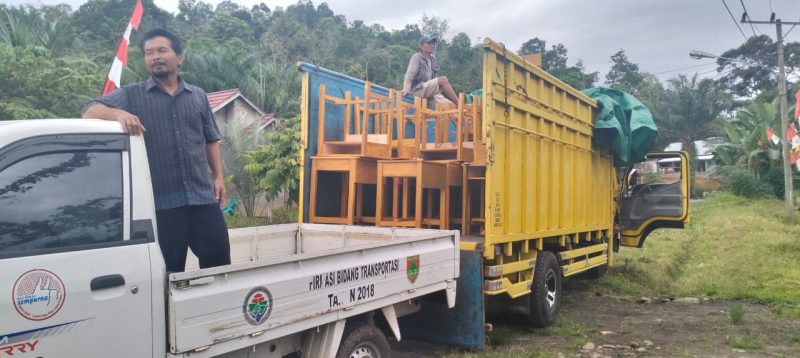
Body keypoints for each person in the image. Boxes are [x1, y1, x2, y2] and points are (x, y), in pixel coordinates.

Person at [82, 27, 230, 272]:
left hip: (202, 199)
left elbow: (210, 139)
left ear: (179, 57)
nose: (155, 57)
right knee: (168, 273)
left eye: (161, 50)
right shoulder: (133, 95)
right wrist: (118, 114)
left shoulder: (198, 96)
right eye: (149, 53)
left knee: (219, 264)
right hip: (162, 205)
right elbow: (89, 110)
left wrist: (218, 177)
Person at [401, 36, 459, 106]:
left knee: (451, 106)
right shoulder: (417, 57)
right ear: (421, 46)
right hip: (417, 90)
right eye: (429, 43)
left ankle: (458, 108)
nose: (432, 45)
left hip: (429, 91)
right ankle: (460, 105)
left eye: (433, 44)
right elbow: (409, 75)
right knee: (443, 80)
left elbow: (434, 79)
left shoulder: (433, 59)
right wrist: (406, 89)